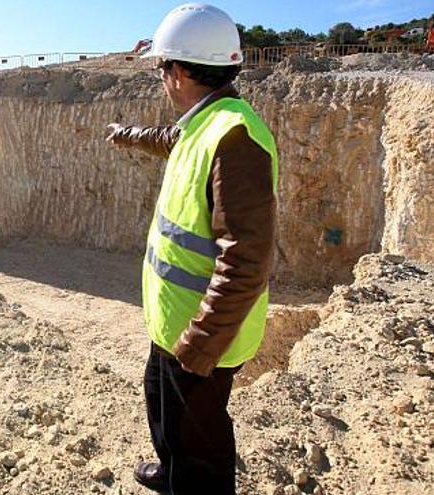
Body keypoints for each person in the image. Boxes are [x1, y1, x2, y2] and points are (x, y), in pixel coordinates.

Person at [105, 4, 278, 494]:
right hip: (174, 322)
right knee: (162, 406)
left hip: (202, 336)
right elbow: (173, 140)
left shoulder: (235, 138)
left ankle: (191, 480)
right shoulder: (206, 122)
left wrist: (200, 347)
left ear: (179, 73)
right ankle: (170, 469)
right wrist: (129, 136)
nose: (161, 78)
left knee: (201, 445)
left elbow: (246, 262)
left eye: (162, 68)